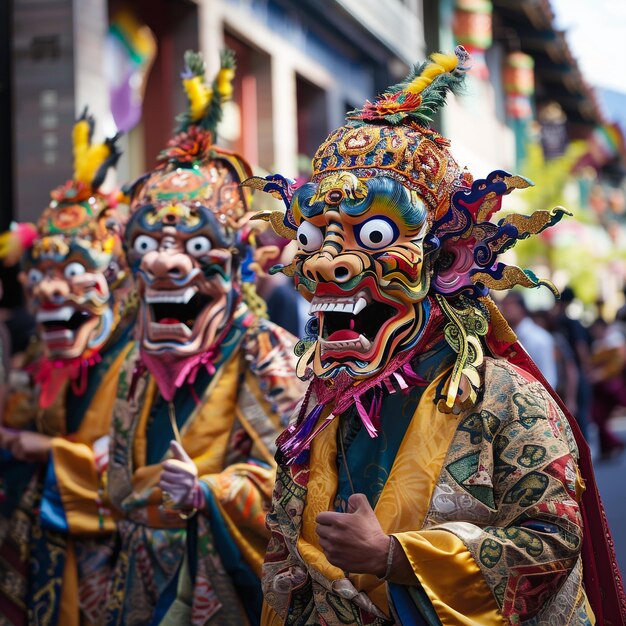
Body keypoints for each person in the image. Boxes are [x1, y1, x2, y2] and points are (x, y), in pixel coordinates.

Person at [248, 47, 626, 625]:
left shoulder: (506, 397)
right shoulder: (319, 405)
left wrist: (395, 557)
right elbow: (286, 548)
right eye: (315, 236)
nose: (327, 262)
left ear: (444, 259)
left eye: (372, 236)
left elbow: (552, 539)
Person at [103, 50, 305, 626]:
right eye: (147, 246)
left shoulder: (267, 354)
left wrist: (212, 491)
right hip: (139, 574)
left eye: (194, 247)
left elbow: (306, 488)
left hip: (220, 585)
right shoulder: (139, 358)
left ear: (239, 264)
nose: (165, 264)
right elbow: (121, 481)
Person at [0, 111, 134, 625]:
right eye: (44, 272)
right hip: (46, 537)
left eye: (74, 271)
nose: (52, 290)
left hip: (110, 550)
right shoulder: (41, 355)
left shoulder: (136, 359)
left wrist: (48, 449)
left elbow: (129, 465)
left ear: (113, 276)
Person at [499, 291, 558, 388]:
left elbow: (548, 377)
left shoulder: (539, 338)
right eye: (503, 304)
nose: (503, 309)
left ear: (521, 308)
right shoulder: (506, 336)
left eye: (508, 304)